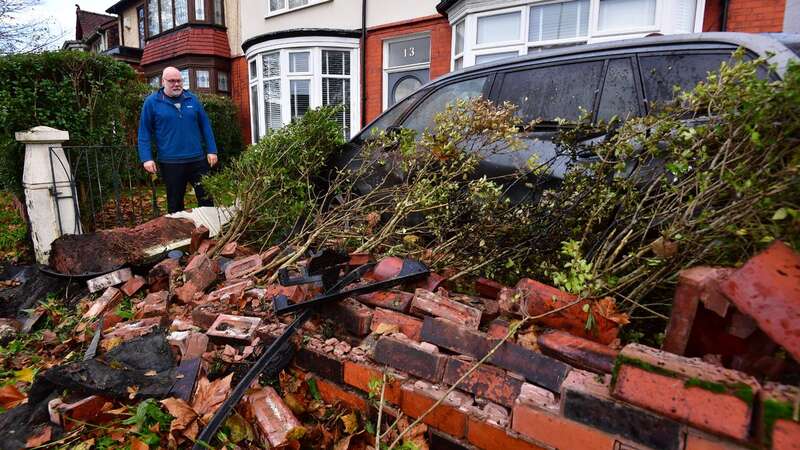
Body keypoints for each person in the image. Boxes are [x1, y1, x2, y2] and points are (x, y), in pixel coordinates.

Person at [138, 66, 218, 213]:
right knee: (175, 204)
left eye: (179, 81)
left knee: (206, 198)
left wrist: (212, 150)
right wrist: (146, 158)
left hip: (197, 160)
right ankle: (179, 234)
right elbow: (144, 132)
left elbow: (205, 126)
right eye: (172, 81)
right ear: (163, 82)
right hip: (171, 162)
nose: (176, 84)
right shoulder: (152, 102)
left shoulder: (192, 99)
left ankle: (211, 231)